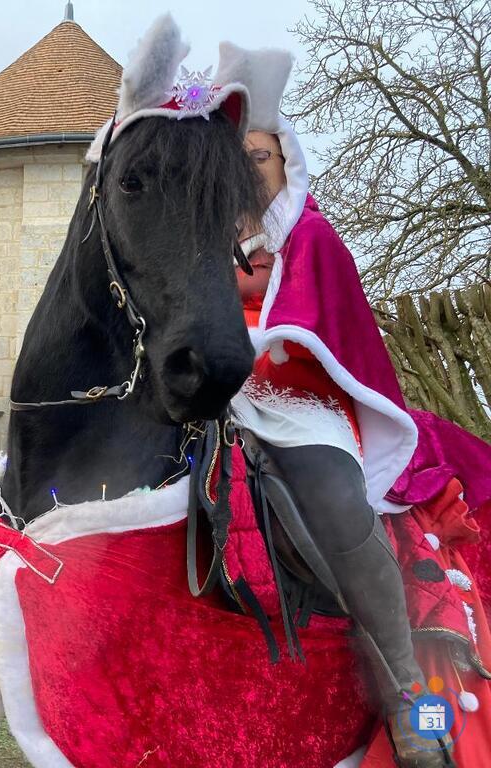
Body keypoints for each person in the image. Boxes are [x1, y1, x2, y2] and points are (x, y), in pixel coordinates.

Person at [217, 45, 453, 767]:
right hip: (218, 396)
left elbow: (318, 328)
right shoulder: (206, 244)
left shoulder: (312, 237)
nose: (249, 170)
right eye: (237, 160)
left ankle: (408, 696)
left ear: (285, 160)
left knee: (335, 499)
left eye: (259, 157)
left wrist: (247, 340)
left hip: (302, 400)